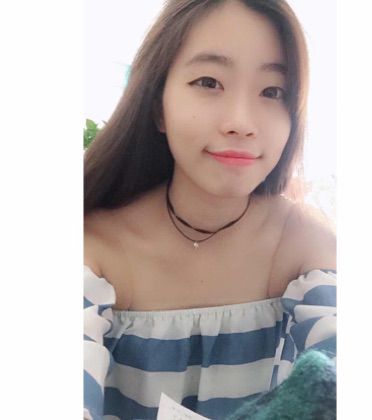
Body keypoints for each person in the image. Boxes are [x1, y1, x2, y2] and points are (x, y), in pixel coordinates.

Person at [83, 0, 336, 419]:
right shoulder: (94, 250)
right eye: (208, 82)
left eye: (272, 91)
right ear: (157, 104)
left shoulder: (307, 246)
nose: (241, 122)